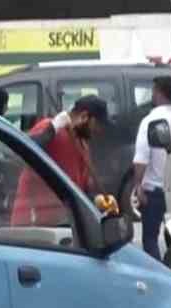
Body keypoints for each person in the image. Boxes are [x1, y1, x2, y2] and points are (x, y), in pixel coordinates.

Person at [10, 95, 110, 226]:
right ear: (84, 116)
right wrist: (53, 128)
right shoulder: (49, 128)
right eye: (97, 124)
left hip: (65, 222)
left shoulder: (82, 144)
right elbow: (24, 151)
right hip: (34, 220)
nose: (99, 130)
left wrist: (97, 200)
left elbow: (81, 189)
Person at [131, 76, 171, 258]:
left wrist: (138, 186)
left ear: (158, 93)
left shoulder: (150, 121)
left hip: (154, 191)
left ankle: (158, 274)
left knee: (150, 238)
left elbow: (141, 158)